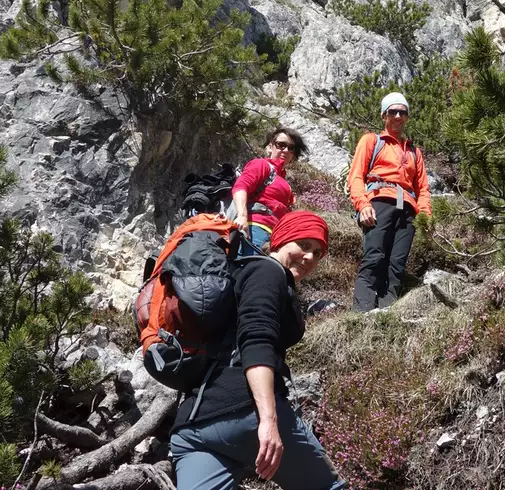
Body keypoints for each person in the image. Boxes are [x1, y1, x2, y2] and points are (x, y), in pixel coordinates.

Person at [170, 210, 345, 490]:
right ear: (281, 240)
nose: (310, 257)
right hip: (243, 413)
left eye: (318, 252)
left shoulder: (246, 272)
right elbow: (256, 340)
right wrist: (268, 419)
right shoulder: (268, 271)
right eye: (303, 245)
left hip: (193, 428)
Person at [347, 92, 432, 312]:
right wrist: (363, 204)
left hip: (408, 210)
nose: (397, 116)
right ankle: (361, 313)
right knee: (375, 257)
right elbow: (356, 176)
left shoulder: (414, 151)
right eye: (392, 111)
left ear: (407, 117)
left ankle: (387, 312)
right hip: (379, 202)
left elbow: (423, 188)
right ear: (384, 115)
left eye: (402, 112)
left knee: (397, 264)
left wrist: (425, 218)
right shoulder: (371, 141)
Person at [231, 127, 308, 250]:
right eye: (281, 145)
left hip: (274, 238)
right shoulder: (261, 165)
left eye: (291, 148)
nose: (286, 150)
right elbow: (241, 187)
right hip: (255, 228)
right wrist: (242, 216)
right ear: (270, 147)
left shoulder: (283, 181)